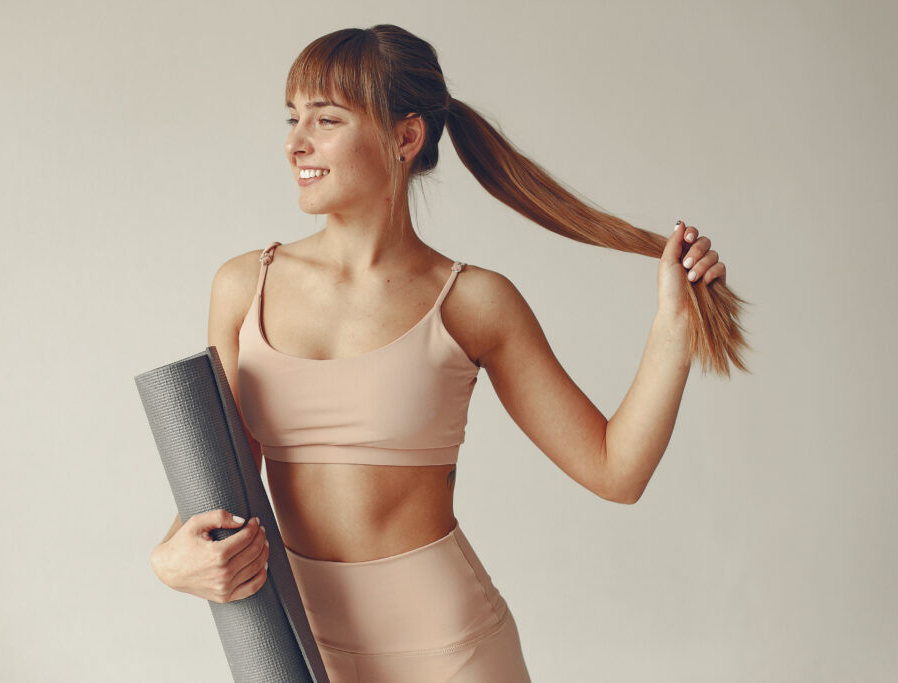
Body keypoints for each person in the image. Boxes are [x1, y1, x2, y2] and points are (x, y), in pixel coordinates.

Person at [149, 24, 748, 682]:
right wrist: (173, 558)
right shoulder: (242, 286)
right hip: (300, 644)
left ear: (406, 137)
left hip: (451, 649)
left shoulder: (474, 301)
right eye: (293, 118)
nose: (296, 143)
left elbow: (615, 471)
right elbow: (224, 486)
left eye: (326, 119)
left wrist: (673, 326)